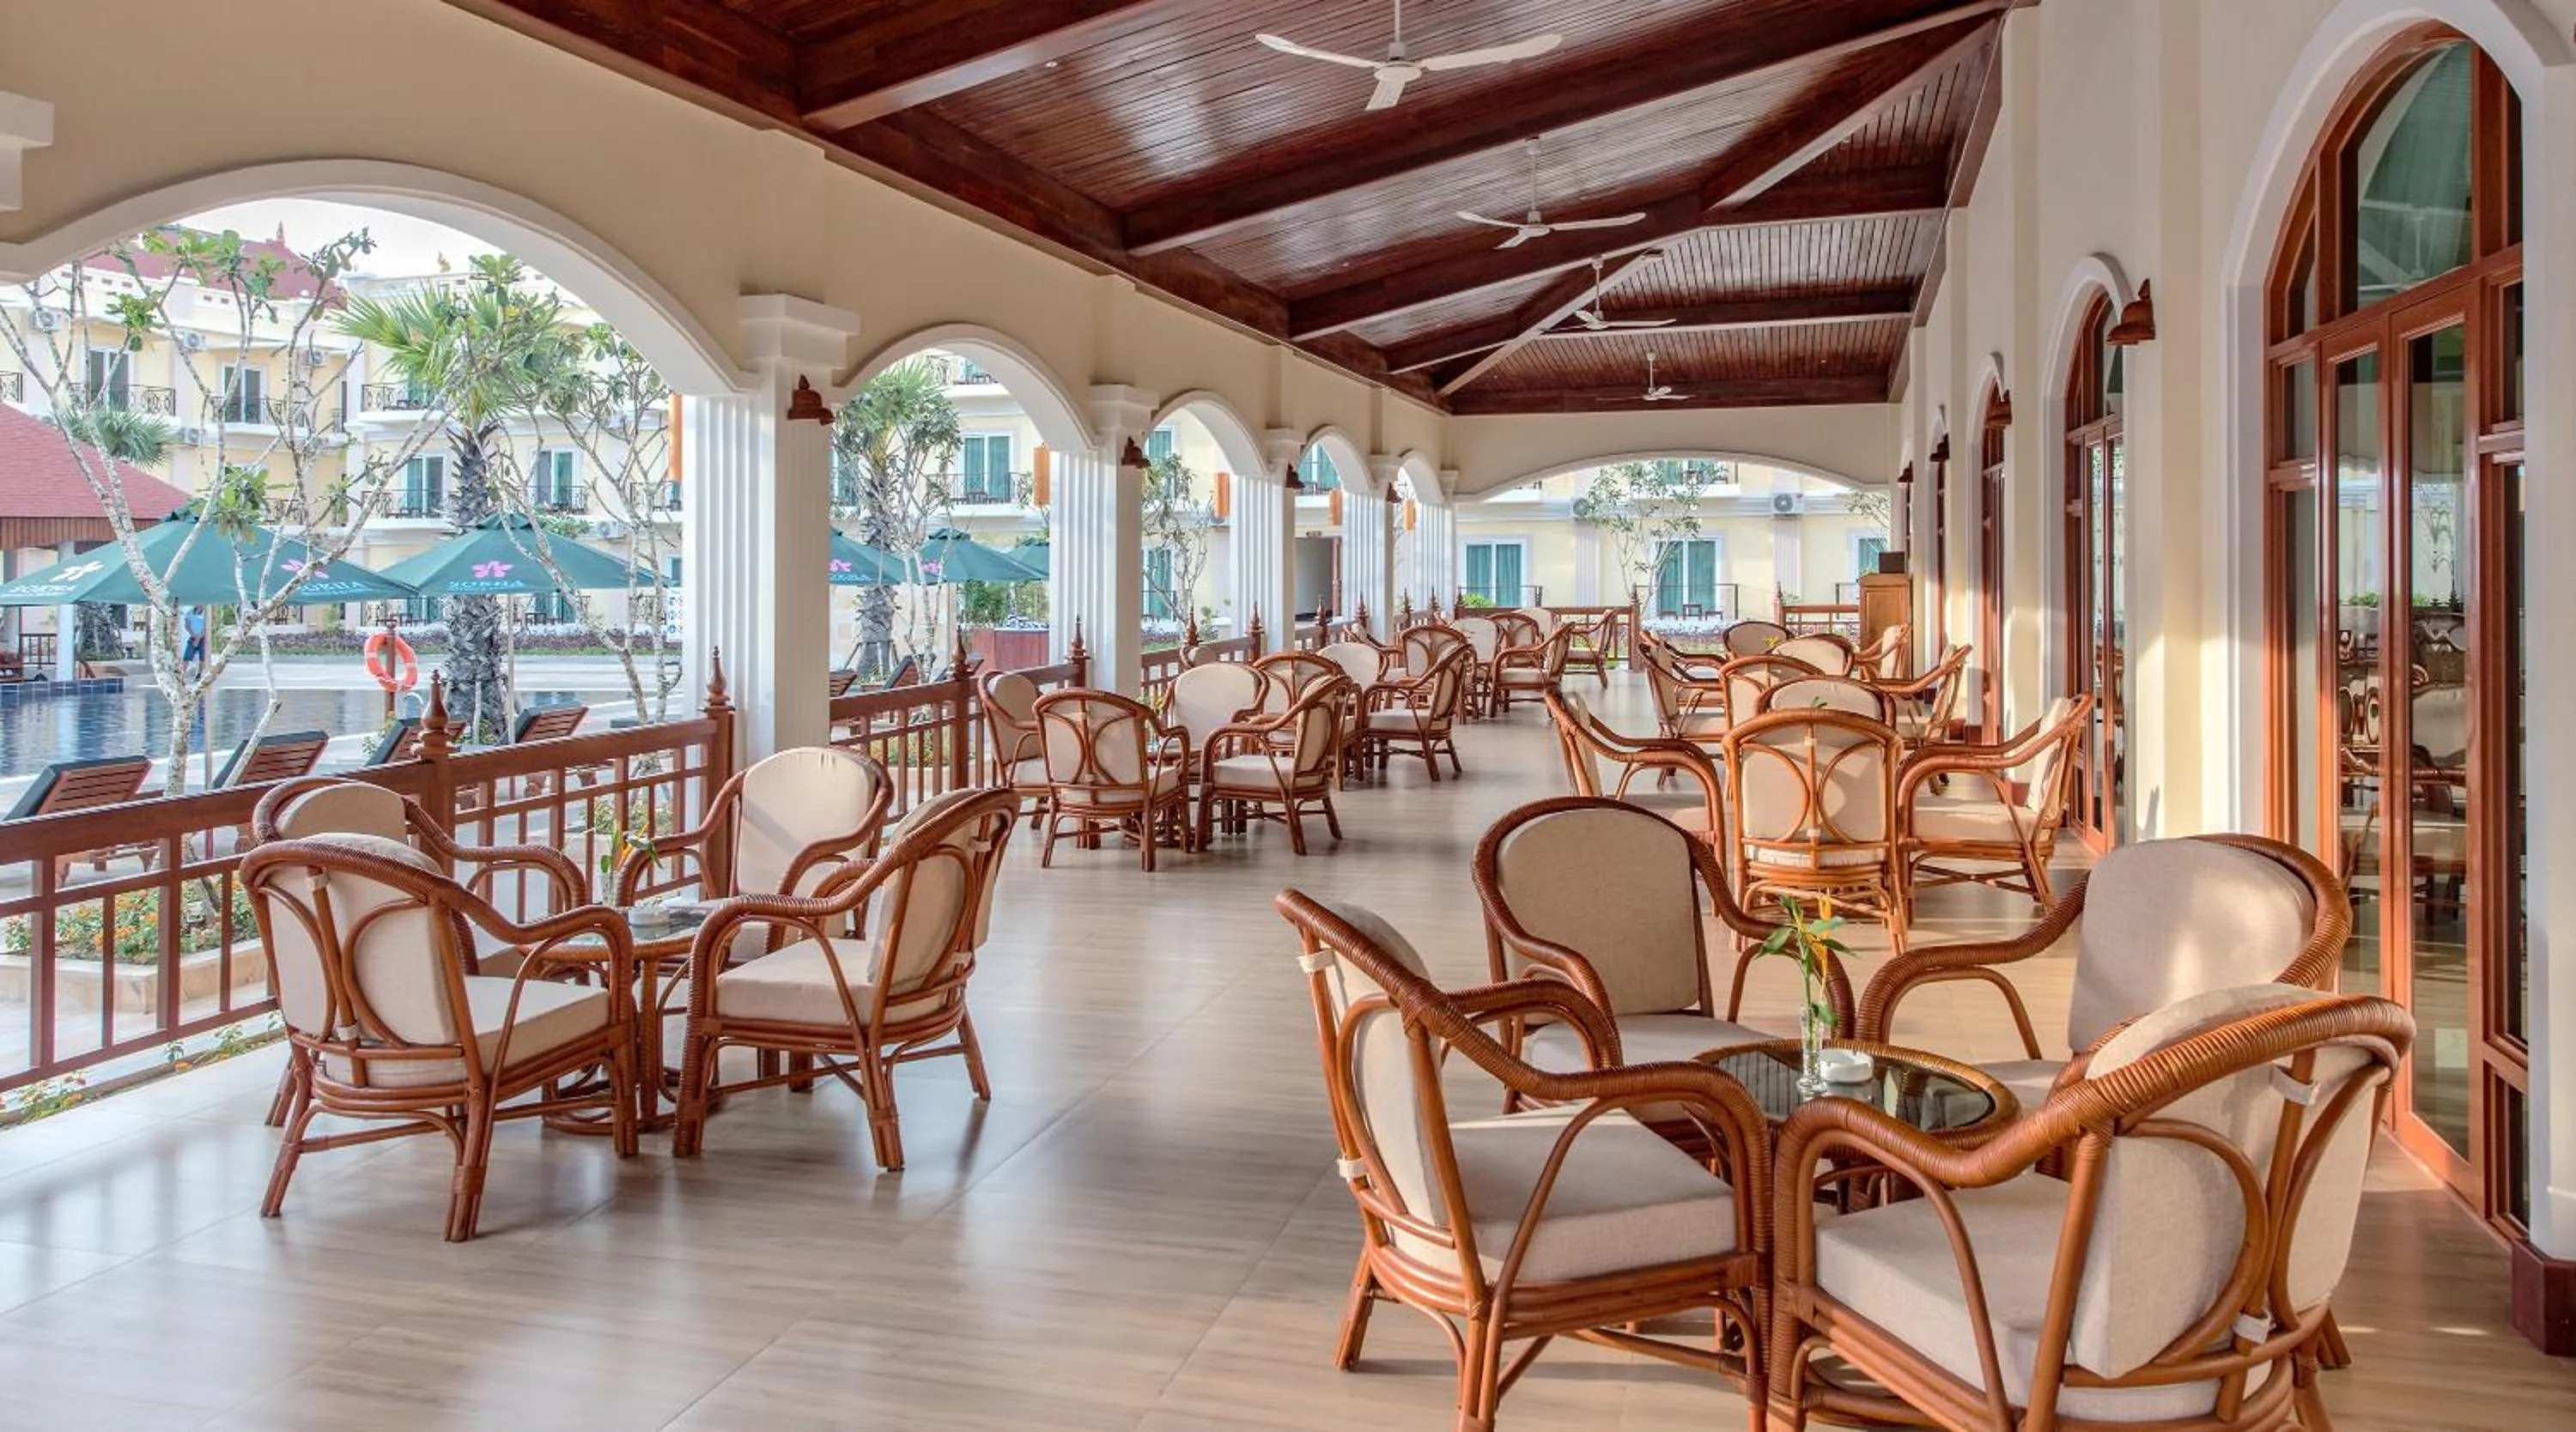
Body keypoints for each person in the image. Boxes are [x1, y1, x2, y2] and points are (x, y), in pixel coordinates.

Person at [180, 607, 206, 671]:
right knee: (187, 657)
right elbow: (187, 625)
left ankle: (200, 675)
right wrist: (193, 635)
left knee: (202, 658)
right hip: (193, 637)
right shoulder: (190, 612)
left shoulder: (206, 612)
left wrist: (199, 638)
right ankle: (181, 676)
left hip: (202, 637)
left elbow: (207, 626)